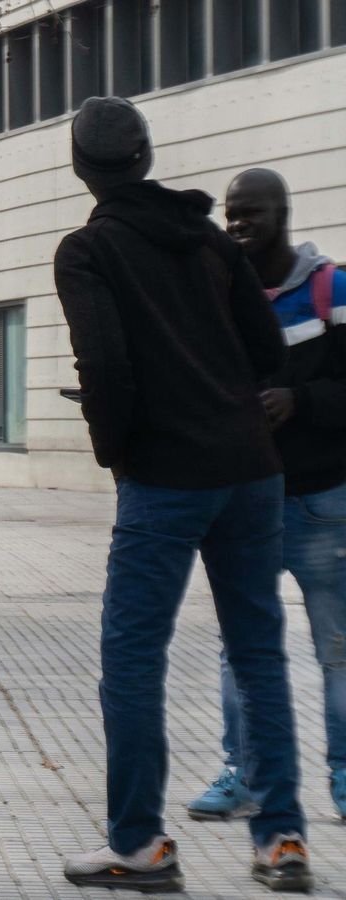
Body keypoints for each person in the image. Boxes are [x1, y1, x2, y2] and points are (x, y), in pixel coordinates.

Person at [54, 97, 309, 893]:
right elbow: (267, 347)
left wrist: (119, 455)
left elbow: (106, 366)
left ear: (81, 167)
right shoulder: (208, 239)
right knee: (259, 653)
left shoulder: (89, 250)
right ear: (147, 154)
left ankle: (140, 845)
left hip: (164, 481)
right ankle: (282, 843)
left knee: (132, 659)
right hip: (252, 474)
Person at [183, 168, 346, 825]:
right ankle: (241, 777)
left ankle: (343, 776)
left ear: (284, 212)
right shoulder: (220, 293)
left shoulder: (331, 288)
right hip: (247, 501)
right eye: (232, 214)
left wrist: (299, 399)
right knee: (239, 647)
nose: (240, 224)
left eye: (253, 212)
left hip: (323, 501)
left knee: (336, 645)